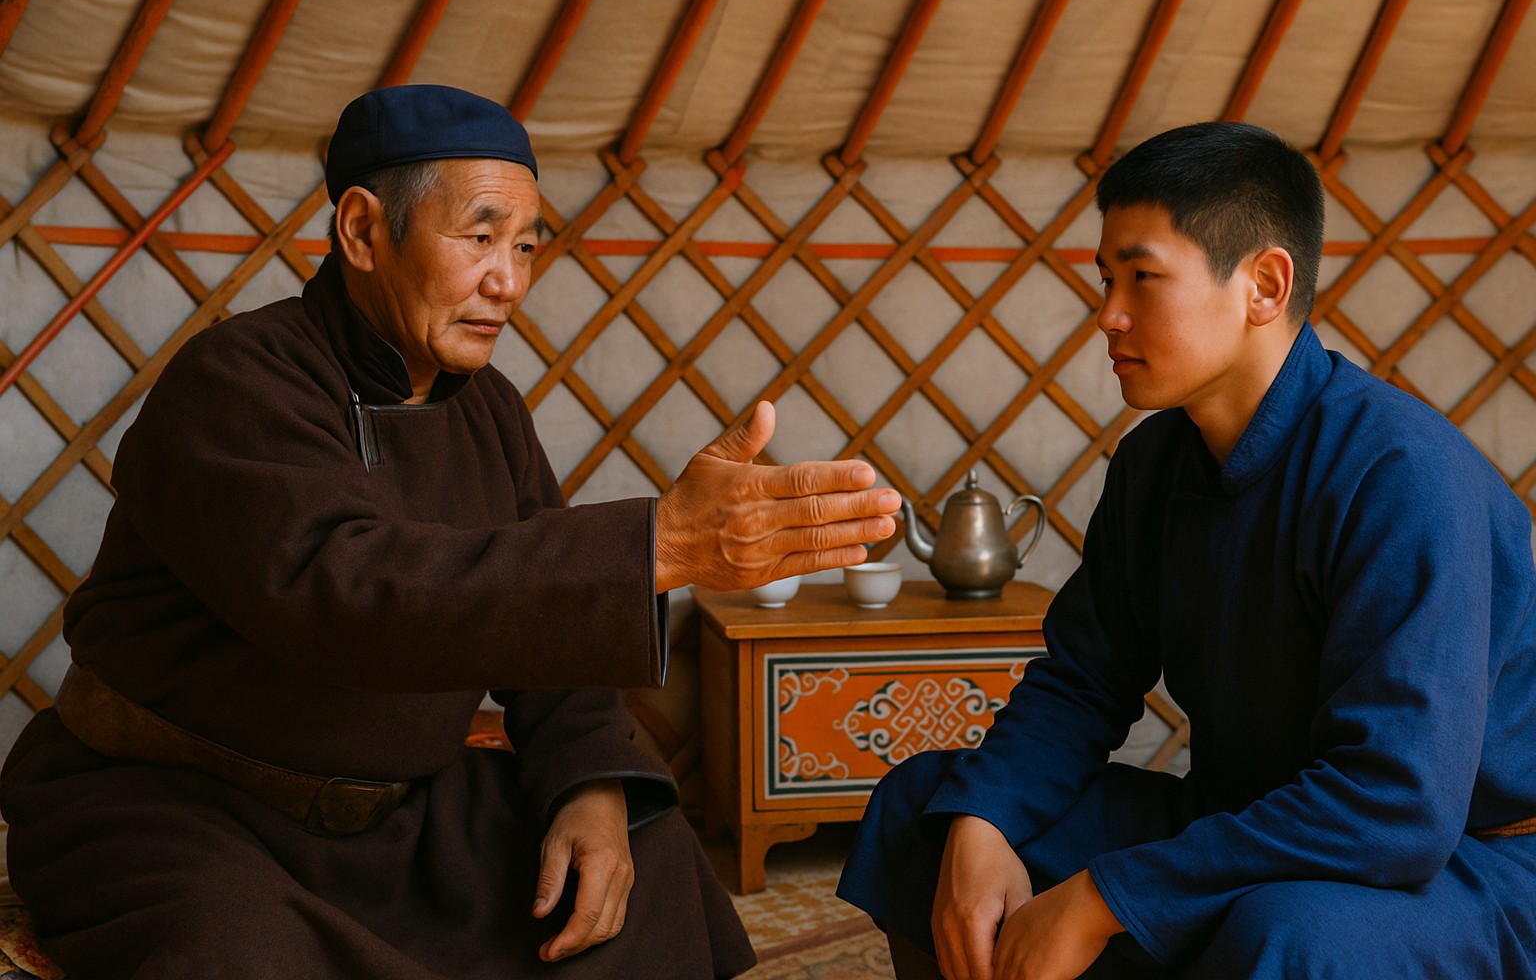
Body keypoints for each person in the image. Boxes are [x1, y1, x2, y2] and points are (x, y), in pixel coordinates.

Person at [0, 84, 900, 979]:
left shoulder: (491, 412)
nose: (507, 281)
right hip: (181, 808)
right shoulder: (235, 382)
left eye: (525, 246)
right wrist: (655, 545)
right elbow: (351, 595)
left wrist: (591, 786)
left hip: (401, 819)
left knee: (647, 853)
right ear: (361, 232)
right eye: (477, 238)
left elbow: (553, 655)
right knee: (237, 957)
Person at [837, 121, 1536, 979]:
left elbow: (1396, 805)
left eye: (1143, 278)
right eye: (1104, 279)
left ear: (1265, 285)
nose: (1108, 316)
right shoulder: (1155, 465)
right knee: (929, 811)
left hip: (1470, 863)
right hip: (1252, 821)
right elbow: (1084, 683)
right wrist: (985, 822)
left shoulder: (1403, 477)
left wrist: (1104, 899)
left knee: (1294, 933)